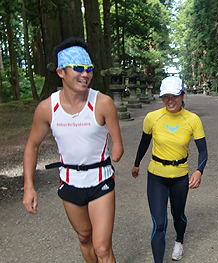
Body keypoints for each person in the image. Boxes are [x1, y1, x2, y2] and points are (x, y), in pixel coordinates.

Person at [22, 37, 124, 263]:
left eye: (89, 69)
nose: (85, 74)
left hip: (100, 180)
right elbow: (32, 145)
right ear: (60, 72)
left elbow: (118, 145)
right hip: (69, 182)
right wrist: (29, 186)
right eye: (78, 68)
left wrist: (115, 150)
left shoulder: (103, 102)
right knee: (85, 237)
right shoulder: (47, 108)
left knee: (102, 248)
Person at [131, 76, 208, 262]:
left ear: (182, 95)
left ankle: (179, 241)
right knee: (159, 224)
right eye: (166, 96)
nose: (170, 100)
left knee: (178, 214)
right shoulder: (152, 118)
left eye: (174, 95)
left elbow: (203, 150)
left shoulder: (192, 120)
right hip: (156, 175)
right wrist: (136, 163)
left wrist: (199, 171)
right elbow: (144, 143)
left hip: (180, 176)